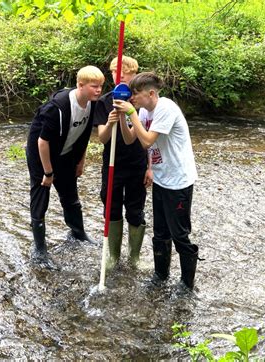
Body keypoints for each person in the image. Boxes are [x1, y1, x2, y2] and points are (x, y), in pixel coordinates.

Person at [112, 72, 200, 290]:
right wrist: (123, 116)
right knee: (160, 232)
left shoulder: (166, 109)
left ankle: (187, 284)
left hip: (178, 180)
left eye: (137, 94)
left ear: (151, 93)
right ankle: (160, 276)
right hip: (161, 178)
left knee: (179, 234)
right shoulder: (143, 111)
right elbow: (131, 138)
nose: (133, 98)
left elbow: (148, 140)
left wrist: (131, 112)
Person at [26, 65, 105, 268]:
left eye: (101, 86)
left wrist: (81, 160)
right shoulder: (58, 107)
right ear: (80, 85)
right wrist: (48, 172)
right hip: (41, 156)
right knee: (41, 197)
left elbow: (85, 134)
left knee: (70, 195)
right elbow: (42, 143)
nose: (99, 90)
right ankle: (40, 250)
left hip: (67, 154)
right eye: (94, 86)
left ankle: (78, 232)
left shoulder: (92, 103)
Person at [94, 56, 152, 271]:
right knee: (111, 207)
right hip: (113, 162)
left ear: (134, 74)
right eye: (113, 73)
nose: (118, 77)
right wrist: (110, 122)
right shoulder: (105, 101)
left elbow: (150, 141)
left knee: (135, 209)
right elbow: (102, 138)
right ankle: (113, 256)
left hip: (137, 162)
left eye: (123, 73)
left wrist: (149, 167)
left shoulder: (141, 102)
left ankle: (134, 257)